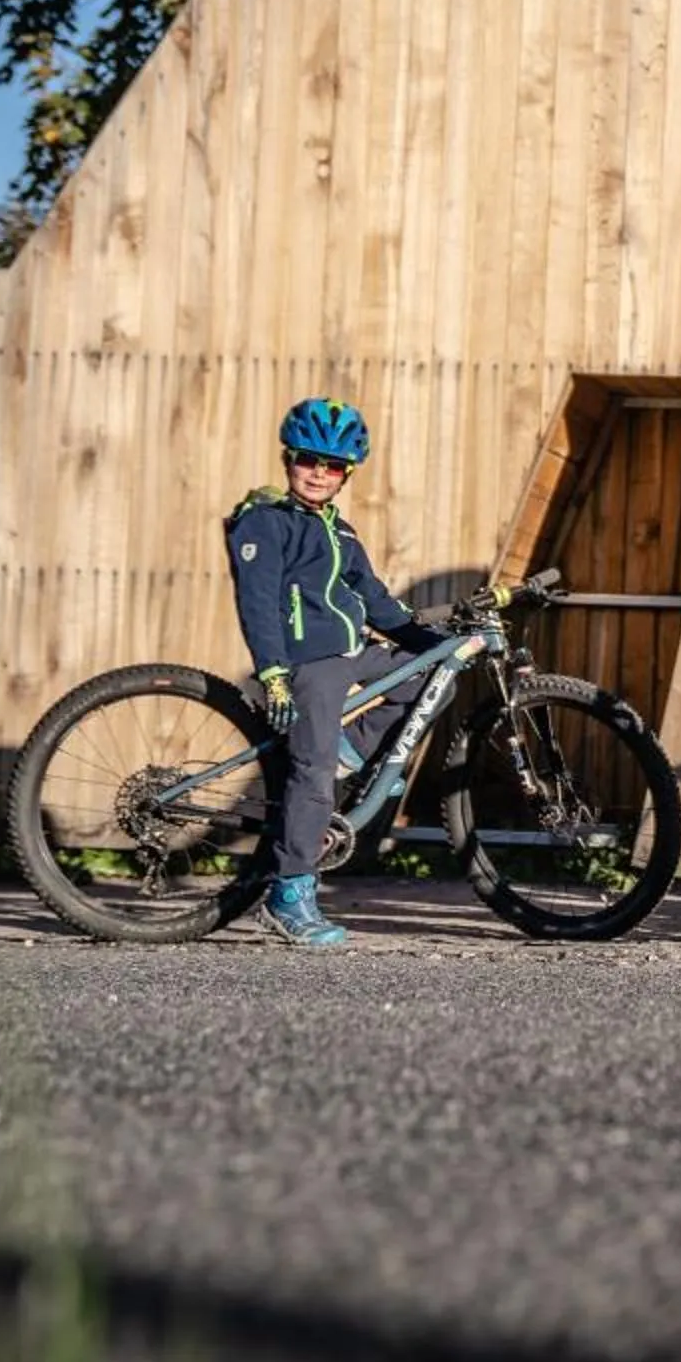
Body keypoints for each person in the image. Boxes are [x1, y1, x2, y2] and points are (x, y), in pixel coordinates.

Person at [225, 396, 442, 950]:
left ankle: (347, 752)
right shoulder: (265, 522)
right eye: (308, 460)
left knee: (433, 676)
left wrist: (436, 645)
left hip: (352, 651)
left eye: (334, 466)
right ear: (288, 459)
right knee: (312, 777)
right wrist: (273, 673)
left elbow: (378, 603)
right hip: (307, 661)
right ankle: (288, 895)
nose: (319, 473)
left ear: (347, 474)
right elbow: (258, 603)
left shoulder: (340, 532)